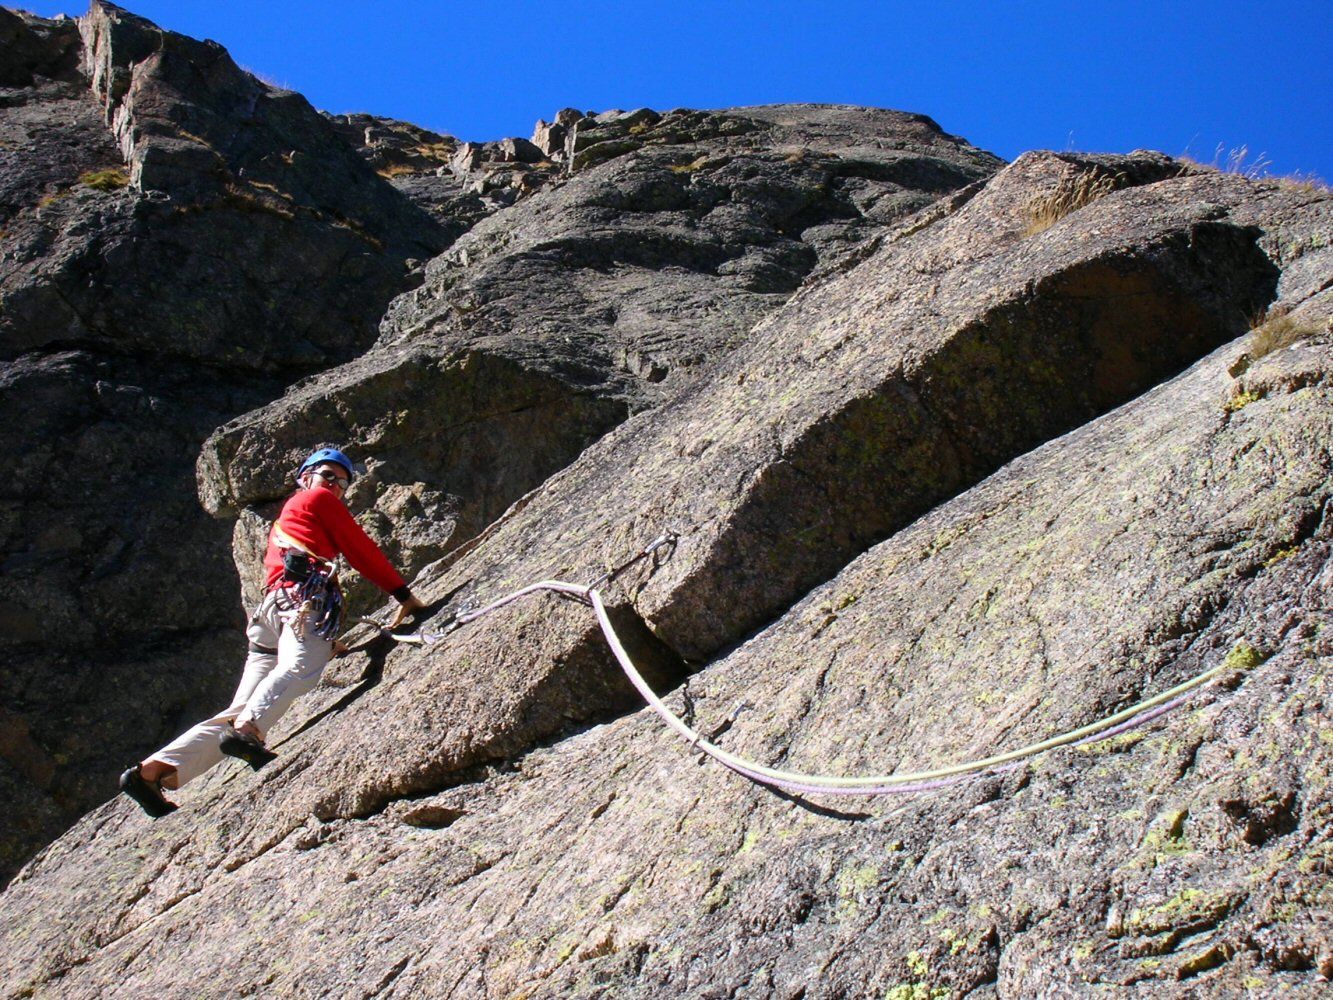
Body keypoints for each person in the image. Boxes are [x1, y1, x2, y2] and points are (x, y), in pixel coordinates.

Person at [119, 447, 425, 817]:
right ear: (306, 476)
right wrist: (402, 594)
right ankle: (248, 733)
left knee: (240, 708)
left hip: (271, 615)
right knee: (301, 668)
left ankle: (151, 773)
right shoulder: (314, 499)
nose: (335, 486)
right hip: (299, 602)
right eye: (328, 475)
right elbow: (359, 549)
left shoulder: (289, 519)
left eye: (343, 483)